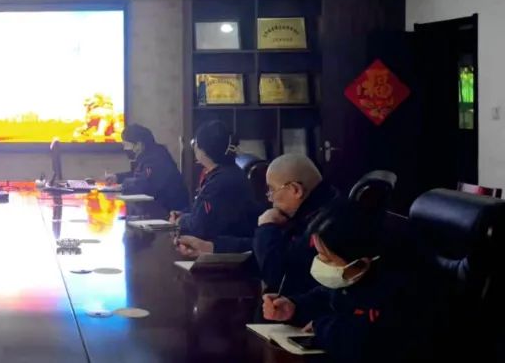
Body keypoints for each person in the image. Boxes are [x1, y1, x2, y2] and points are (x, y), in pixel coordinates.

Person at [261, 201, 431, 362]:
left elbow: (364, 339)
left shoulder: (400, 290)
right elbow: (331, 298)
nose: (320, 261)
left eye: (328, 258)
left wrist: (321, 327)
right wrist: (294, 307)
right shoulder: (359, 276)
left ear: (361, 263)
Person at [252, 153, 344, 295]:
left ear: (295, 190)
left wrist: (267, 228)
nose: (270, 198)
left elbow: (278, 278)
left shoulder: (322, 226)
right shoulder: (327, 205)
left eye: (272, 190)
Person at [171, 120, 259, 255]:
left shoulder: (221, 182)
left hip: (227, 254)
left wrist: (179, 221)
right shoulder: (225, 173)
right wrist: (185, 215)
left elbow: (200, 227)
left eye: (195, 143)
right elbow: (204, 214)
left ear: (203, 150)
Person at [108, 124, 189, 216]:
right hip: (160, 208)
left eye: (126, 145)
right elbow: (137, 175)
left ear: (138, 145)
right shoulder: (148, 155)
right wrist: (117, 177)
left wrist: (123, 185)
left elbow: (144, 184)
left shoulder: (157, 158)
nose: (124, 149)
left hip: (170, 212)